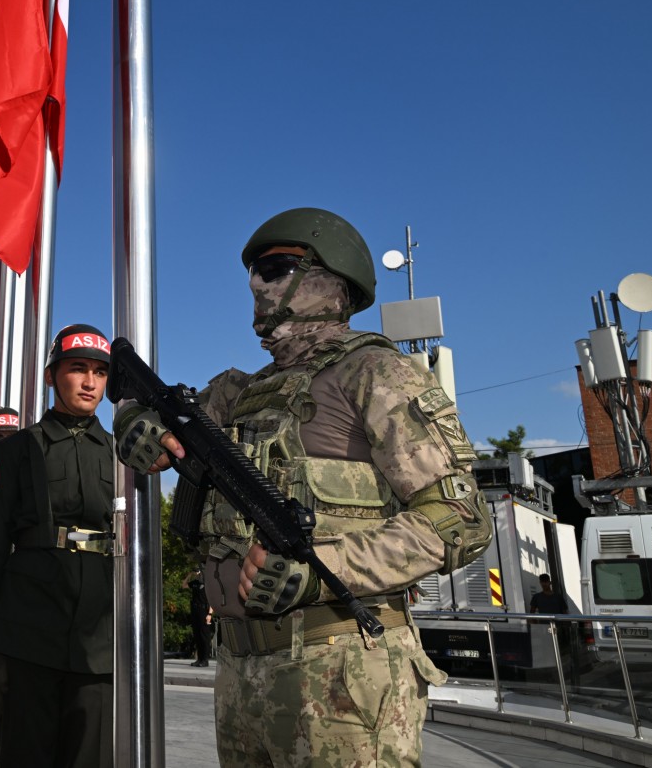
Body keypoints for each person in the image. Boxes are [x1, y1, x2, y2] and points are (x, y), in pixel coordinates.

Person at [116, 208, 493, 767]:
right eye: (251, 273)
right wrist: (133, 423)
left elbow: (461, 519)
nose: (255, 285)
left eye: (273, 268)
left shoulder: (374, 373)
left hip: (341, 666)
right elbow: (151, 415)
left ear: (329, 279)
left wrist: (324, 569)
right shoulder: (238, 392)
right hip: (242, 670)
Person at [0, 325, 115, 768]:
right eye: (77, 369)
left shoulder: (119, 454)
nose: (90, 382)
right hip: (29, 632)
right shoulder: (14, 452)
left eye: (100, 372)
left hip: (99, 637)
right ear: (51, 376)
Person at [187, 568, 213, 668]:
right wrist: (190, 575)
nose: (198, 574)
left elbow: (212, 601)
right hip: (195, 610)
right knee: (197, 635)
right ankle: (199, 659)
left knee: (204, 636)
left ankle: (205, 660)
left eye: (200, 573)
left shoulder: (208, 585)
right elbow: (184, 585)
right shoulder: (195, 583)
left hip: (204, 611)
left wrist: (209, 615)